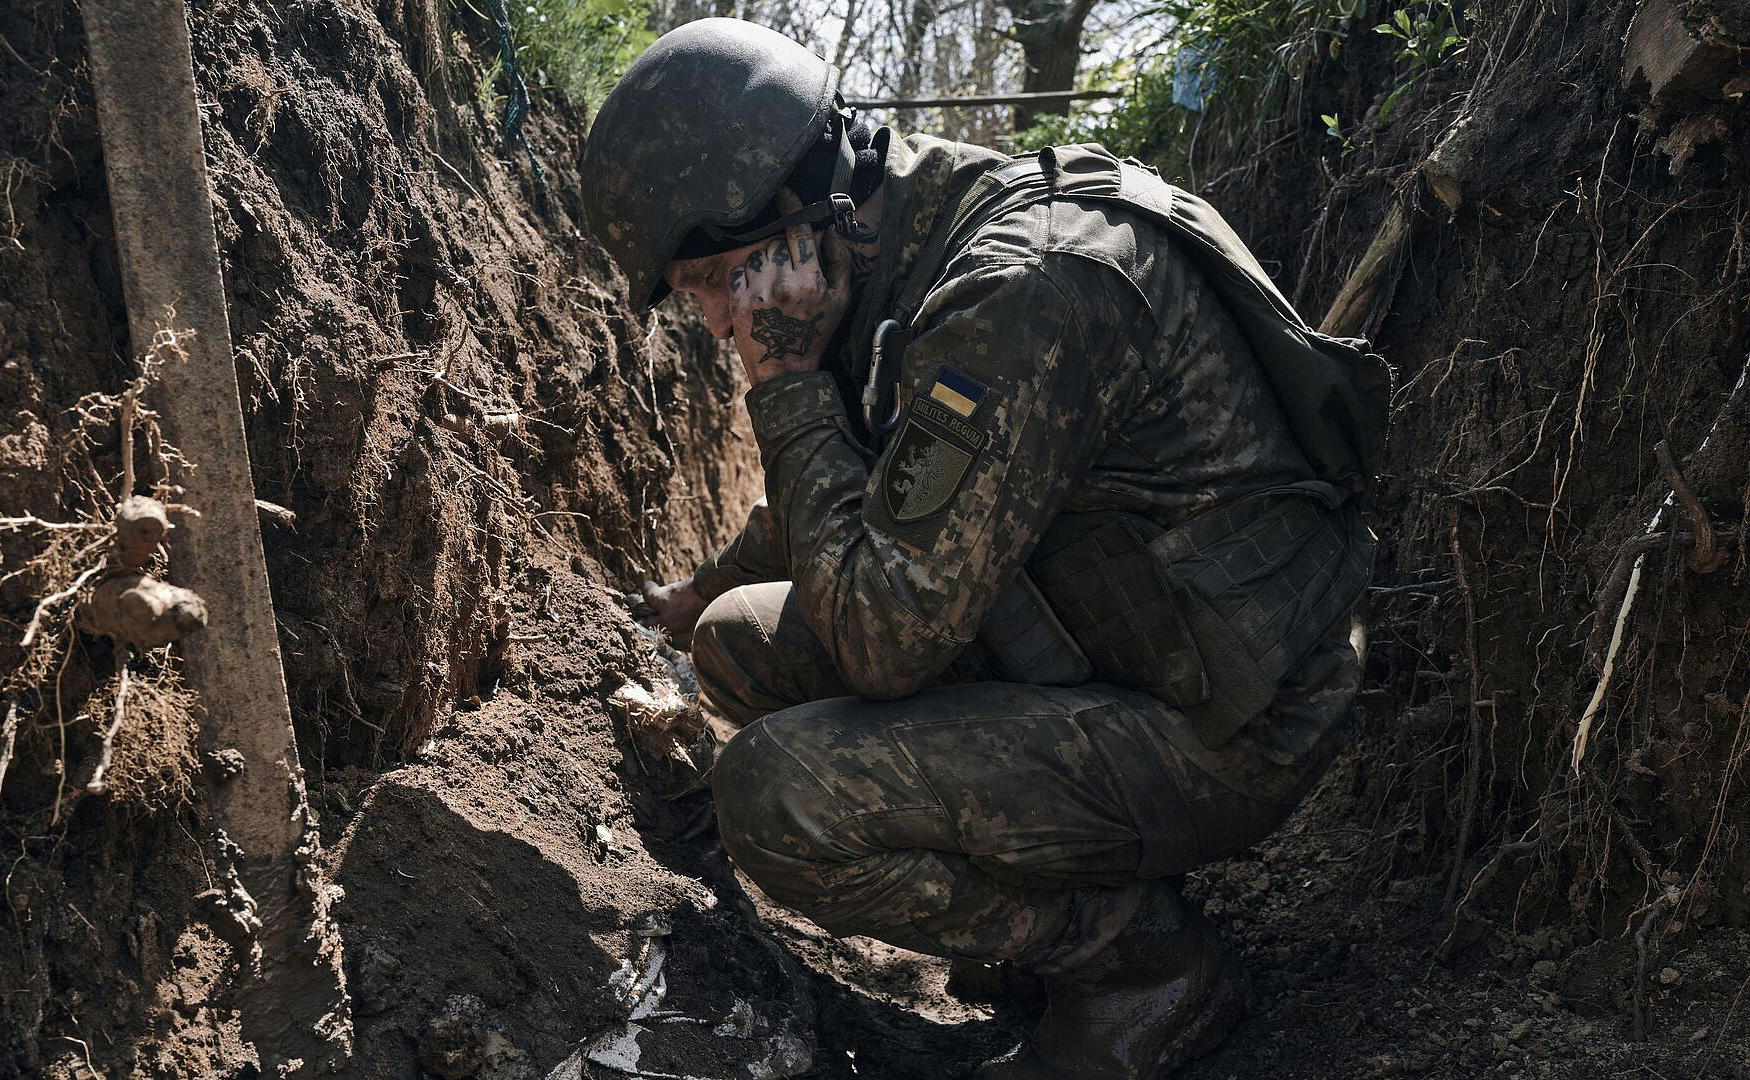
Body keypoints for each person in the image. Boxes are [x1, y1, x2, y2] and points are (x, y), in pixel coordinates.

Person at [579, 18, 1383, 1079]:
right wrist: (696, 592)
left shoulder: (1015, 293)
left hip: (1231, 716)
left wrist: (785, 389)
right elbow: (873, 486)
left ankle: (1141, 968)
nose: (727, 322)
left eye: (722, 280)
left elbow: (882, 646)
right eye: (703, 297)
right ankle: (1050, 890)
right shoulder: (894, 242)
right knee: (737, 639)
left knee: (776, 796)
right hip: (1119, 647)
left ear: (796, 212)